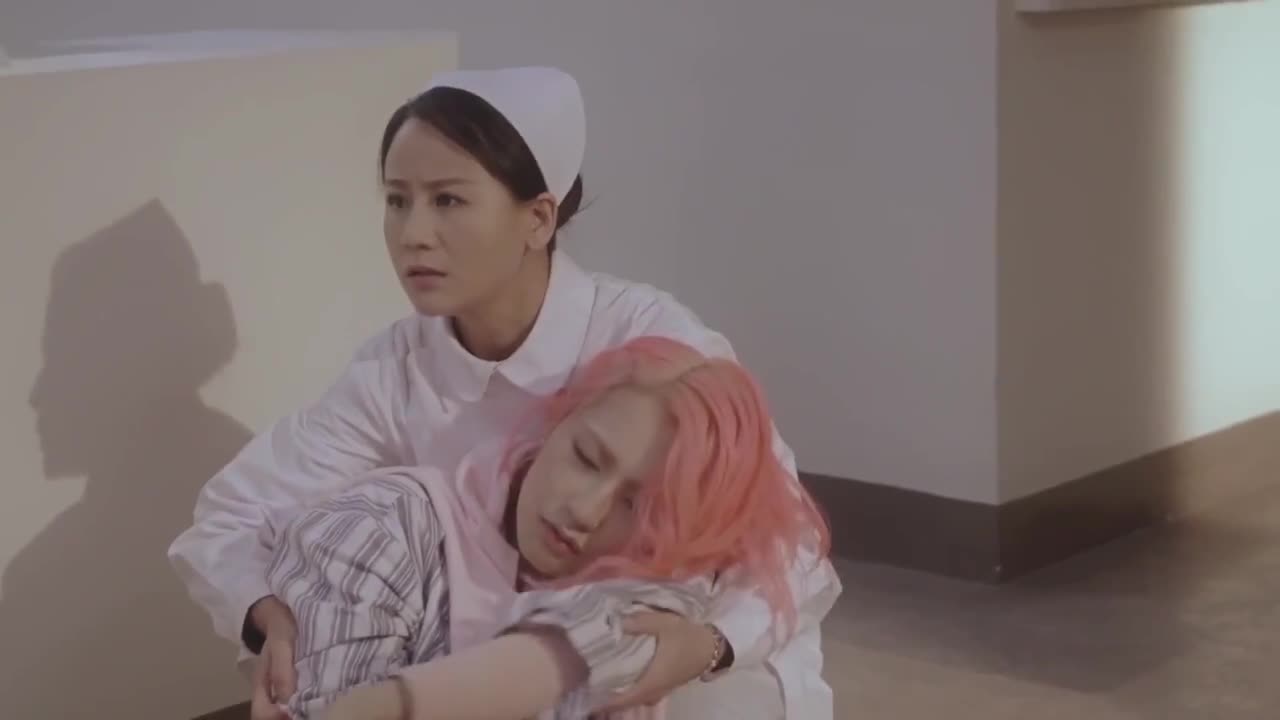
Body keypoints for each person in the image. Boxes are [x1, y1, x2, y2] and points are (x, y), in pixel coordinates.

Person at [168, 65, 841, 720]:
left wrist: (712, 645)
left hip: (672, 657)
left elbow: (790, 544)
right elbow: (231, 517)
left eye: (448, 200)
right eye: (398, 200)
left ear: (539, 219)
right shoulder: (395, 368)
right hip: (481, 664)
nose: (413, 234)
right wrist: (268, 620)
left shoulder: (656, 343)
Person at [265, 336, 831, 720]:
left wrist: (702, 644)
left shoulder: (646, 596)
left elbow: (793, 565)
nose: (586, 510)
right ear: (558, 420)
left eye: (636, 506)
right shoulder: (382, 530)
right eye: (586, 457)